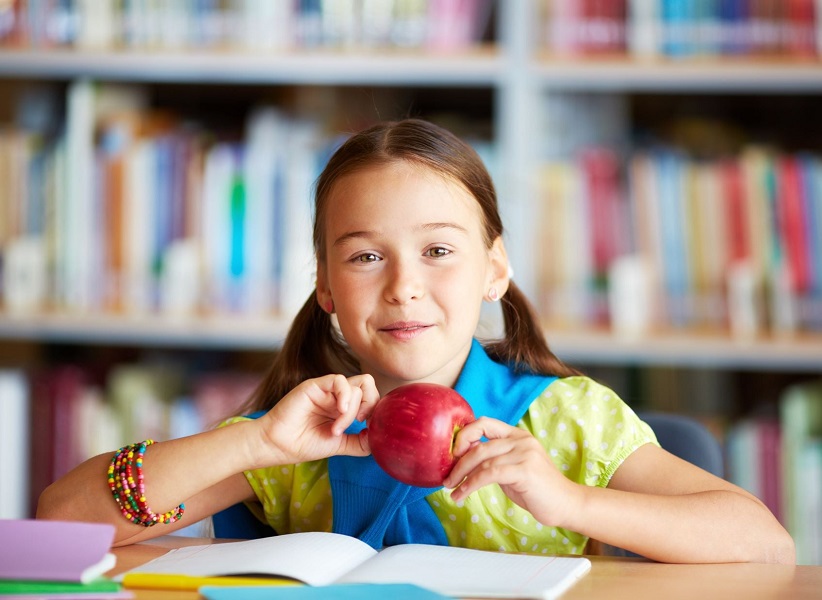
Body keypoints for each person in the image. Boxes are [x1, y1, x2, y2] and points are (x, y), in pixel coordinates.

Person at [38, 118, 794, 564]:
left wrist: (568, 500)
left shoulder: (567, 422)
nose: (402, 286)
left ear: (494, 269)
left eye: (438, 252)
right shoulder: (301, 440)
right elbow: (62, 524)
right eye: (366, 257)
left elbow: (765, 546)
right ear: (327, 290)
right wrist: (252, 446)